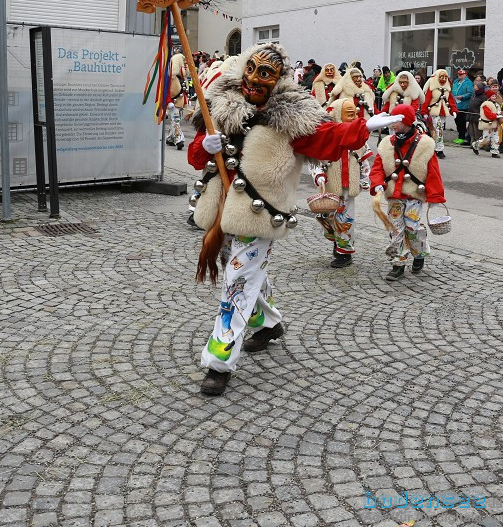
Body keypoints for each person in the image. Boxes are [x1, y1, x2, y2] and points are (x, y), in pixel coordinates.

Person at [187, 43, 369, 396]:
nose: (254, 79)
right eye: (251, 69)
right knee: (242, 272)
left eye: (265, 73)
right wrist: (205, 146)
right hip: (222, 210)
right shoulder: (221, 106)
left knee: (237, 279)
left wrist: (363, 127)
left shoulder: (291, 117)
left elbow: (325, 138)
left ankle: (219, 361)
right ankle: (269, 324)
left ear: (279, 79)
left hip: (260, 215)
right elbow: (197, 157)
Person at [368, 104, 445, 282]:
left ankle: (419, 252)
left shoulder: (425, 144)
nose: (393, 124)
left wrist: (434, 196)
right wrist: (378, 184)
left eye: (397, 120)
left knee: (412, 228)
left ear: (408, 121)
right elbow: (378, 167)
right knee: (396, 229)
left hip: (414, 195)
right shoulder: (386, 143)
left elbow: (433, 171)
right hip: (394, 195)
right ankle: (398, 263)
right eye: (392, 120)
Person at [310, 98, 373, 267]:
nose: (352, 118)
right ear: (337, 114)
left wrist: (364, 178)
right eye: (348, 114)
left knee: (346, 218)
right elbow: (315, 161)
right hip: (330, 185)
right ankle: (335, 242)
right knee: (327, 217)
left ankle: (344, 253)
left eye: (354, 114)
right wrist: (318, 175)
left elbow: (364, 161)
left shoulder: (359, 136)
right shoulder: (327, 136)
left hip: (349, 185)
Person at [422, 68, 458, 158]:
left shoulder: (447, 89)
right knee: (439, 130)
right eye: (442, 77)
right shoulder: (432, 88)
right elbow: (426, 100)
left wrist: (453, 110)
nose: (444, 79)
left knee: (437, 130)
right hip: (433, 112)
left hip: (443, 113)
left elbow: (451, 100)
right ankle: (440, 149)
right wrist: (424, 111)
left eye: (446, 77)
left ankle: (433, 147)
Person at [163, 51, 189, 150]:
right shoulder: (171, 77)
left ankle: (170, 138)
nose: (185, 67)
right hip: (172, 103)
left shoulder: (182, 78)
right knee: (176, 120)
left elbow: (183, 90)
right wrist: (169, 101)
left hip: (179, 103)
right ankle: (179, 139)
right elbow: (166, 89)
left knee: (176, 120)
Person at [473, 89, 502, 157]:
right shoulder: (486, 105)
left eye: (495, 96)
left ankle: (494, 152)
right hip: (488, 124)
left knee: (496, 138)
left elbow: (498, 112)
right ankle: (475, 145)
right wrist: (496, 116)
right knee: (486, 138)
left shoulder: (497, 105)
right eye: (492, 96)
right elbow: (488, 115)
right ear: (489, 97)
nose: (494, 97)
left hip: (495, 124)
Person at [451, 68, 474, 145]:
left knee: (462, 122)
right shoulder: (456, 82)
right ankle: (459, 136)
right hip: (456, 104)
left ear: (465, 75)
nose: (460, 76)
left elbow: (470, 93)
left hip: (464, 105)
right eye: (459, 74)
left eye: (461, 75)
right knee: (457, 121)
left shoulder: (468, 82)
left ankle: (462, 137)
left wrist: (463, 96)